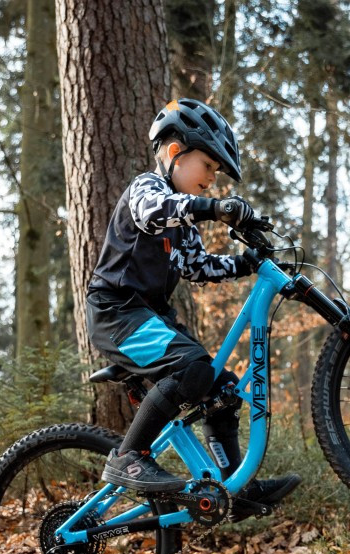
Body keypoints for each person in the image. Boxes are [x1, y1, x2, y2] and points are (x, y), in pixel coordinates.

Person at [85, 98, 300, 520]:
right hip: (116, 313)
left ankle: (235, 486)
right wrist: (216, 209)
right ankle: (128, 456)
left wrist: (248, 262)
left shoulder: (181, 220)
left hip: (147, 317)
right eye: (208, 166)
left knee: (222, 390)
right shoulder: (148, 190)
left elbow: (198, 267)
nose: (212, 179)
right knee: (192, 368)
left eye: (216, 174)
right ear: (173, 153)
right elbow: (155, 214)